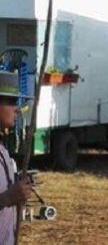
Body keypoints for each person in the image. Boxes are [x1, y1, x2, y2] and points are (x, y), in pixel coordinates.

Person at [0, 71, 33, 244]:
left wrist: (19, 191)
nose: (17, 109)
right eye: (12, 102)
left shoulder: (3, 152)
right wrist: (7, 198)